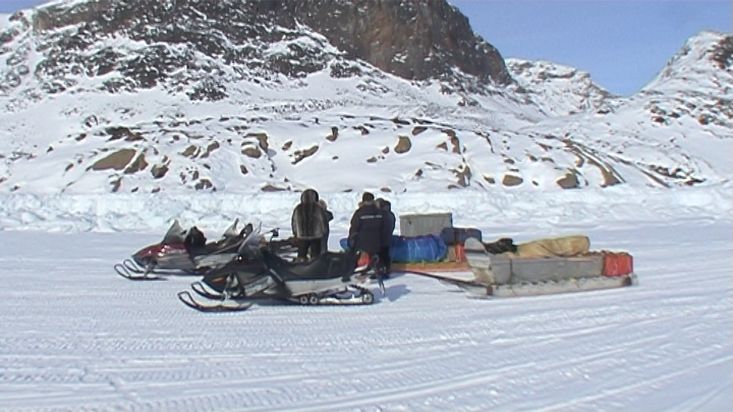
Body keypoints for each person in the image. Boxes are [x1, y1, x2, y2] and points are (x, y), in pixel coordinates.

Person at [291, 188, 328, 261]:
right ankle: (314, 269)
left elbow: (293, 223)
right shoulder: (318, 208)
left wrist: (295, 233)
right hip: (316, 237)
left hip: (302, 237)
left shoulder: (298, 208)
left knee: (301, 255)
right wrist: (323, 232)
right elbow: (323, 222)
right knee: (315, 256)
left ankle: (300, 268)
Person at [348, 192, 385, 265]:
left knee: (361, 258)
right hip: (377, 241)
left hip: (362, 243)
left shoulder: (359, 212)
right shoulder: (379, 212)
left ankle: (362, 267)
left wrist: (351, 239)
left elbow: (354, 227)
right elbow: (383, 226)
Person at [376, 198, 396, 275]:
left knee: (380, 255)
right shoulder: (391, 214)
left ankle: (381, 271)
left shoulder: (381, 215)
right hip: (388, 237)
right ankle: (387, 270)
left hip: (381, 238)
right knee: (386, 254)